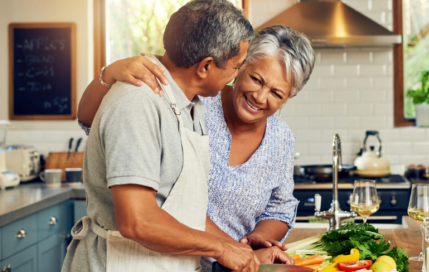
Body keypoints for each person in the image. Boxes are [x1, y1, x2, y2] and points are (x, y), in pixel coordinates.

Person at [77, 25, 316, 271]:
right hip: (156, 258)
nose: (260, 96)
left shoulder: (281, 137)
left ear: (289, 98)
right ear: (240, 65)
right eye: (256, 79)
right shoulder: (196, 100)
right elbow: (91, 119)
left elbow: (280, 206)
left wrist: (250, 246)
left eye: (276, 93)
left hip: (232, 264)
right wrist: (110, 74)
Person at [62, 0, 269, 271]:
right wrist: (220, 249)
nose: (237, 74)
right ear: (206, 66)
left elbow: (182, 212)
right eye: (236, 66)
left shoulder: (190, 105)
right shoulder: (137, 103)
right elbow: (138, 221)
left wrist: (241, 252)